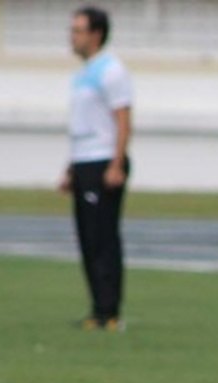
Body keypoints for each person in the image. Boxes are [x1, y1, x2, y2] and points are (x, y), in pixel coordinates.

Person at [59, 5, 133, 332]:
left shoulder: (111, 71)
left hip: (104, 161)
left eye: (78, 30)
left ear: (96, 34)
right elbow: (82, 125)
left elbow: (123, 120)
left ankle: (110, 312)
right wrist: (71, 168)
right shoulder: (82, 74)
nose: (72, 37)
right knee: (87, 238)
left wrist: (117, 163)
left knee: (104, 238)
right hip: (85, 161)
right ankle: (96, 309)